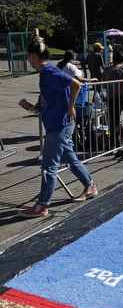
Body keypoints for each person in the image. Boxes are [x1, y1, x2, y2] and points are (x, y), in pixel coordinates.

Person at [18, 36, 97, 218]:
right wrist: (35, 107)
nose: (27, 60)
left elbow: (76, 84)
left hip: (58, 125)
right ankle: (90, 186)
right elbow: (56, 94)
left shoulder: (48, 71)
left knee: (48, 166)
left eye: (27, 57)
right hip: (59, 123)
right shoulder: (47, 71)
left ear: (32, 56)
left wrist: (70, 108)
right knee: (70, 159)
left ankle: (42, 205)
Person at [101, 51, 123, 149]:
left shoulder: (106, 70)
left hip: (112, 98)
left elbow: (103, 85)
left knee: (114, 122)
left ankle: (113, 144)